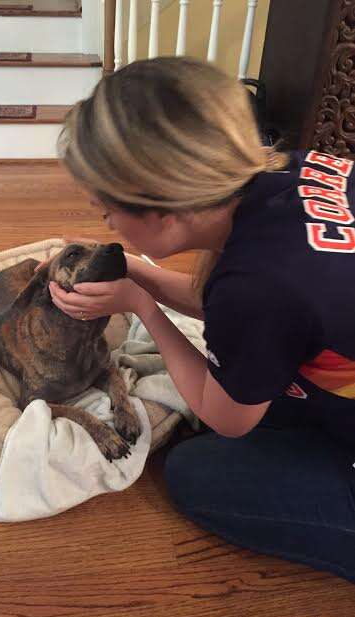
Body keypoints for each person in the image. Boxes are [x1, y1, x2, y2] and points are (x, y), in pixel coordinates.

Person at [48, 57, 355, 582]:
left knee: (196, 472)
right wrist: (135, 282)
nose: (104, 224)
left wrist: (144, 307)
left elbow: (228, 418)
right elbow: (259, 312)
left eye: (105, 211)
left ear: (161, 209)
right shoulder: (298, 169)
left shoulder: (257, 285)